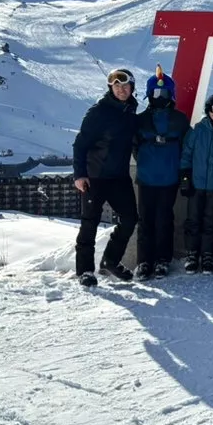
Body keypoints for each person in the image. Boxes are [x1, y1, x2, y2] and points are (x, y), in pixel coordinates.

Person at [71, 67, 141, 287]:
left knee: (130, 219)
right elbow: (80, 144)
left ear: (132, 88)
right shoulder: (98, 112)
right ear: (111, 88)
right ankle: (85, 271)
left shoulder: (130, 112)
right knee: (89, 223)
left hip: (119, 177)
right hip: (95, 177)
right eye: (116, 86)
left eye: (125, 85)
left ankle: (110, 261)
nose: (121, 89)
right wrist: (80, 175)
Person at [132, 65, 190, 279]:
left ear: (171, 94)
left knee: (165, 218)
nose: (159, 96)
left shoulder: (180, 119)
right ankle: (144, 261)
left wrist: (183, 173)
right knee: (145, 219)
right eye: (156, 93)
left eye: (163, 92)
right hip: (147, 178)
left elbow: (187, 147)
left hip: (170, 177)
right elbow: (134, 145)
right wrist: (145, 161)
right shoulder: (140, 120)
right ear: (149, 94)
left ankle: (163, 259)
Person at [179, 93, 213, 274]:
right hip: (197, 184)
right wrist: (185, 177)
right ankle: (192, 254)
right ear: (207, 110)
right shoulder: (198, 130)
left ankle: (208, 255)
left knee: (211, 220)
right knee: (193, 220)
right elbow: (186, 154)